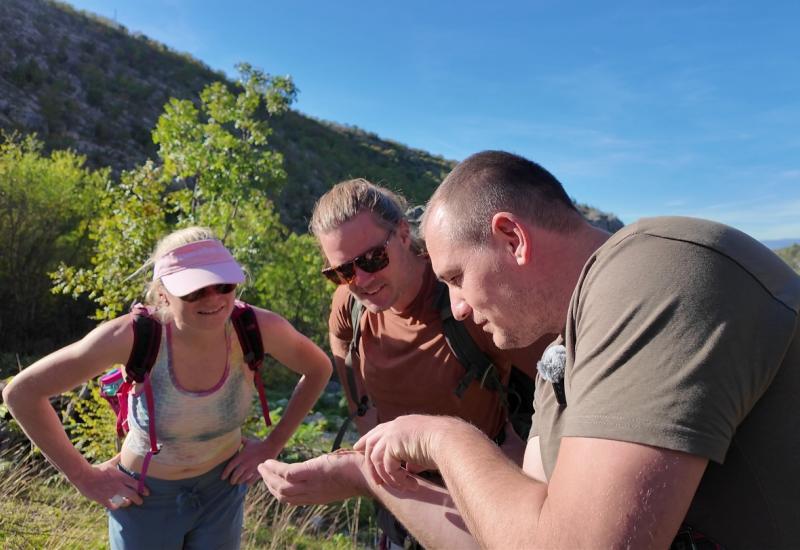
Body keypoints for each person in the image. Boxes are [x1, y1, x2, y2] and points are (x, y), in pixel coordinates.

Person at [261, 152, 800, 549]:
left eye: (456, 277)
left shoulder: (655, 272)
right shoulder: (560, 357)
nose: (461, 307)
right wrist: (367, 475)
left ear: (512, 238)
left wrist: (439, 437)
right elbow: (514, 533)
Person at [3, 226, 332, 549]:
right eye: (194, 291)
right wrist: (82, 476)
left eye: (224, 284)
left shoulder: (255, 328)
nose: (214, 298)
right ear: (163, 293)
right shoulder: (131, 337)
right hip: (145, 497)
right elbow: (22, 393)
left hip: (223, 490)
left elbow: (319, 368)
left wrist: (271, 445)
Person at [306, 179, 550, 546]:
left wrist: (531, 465)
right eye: (342, 271)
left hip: (477, 502)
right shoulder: (350, 304)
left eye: (373, 259)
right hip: (399, 500)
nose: (361, 280)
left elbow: (559, 383)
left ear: (403, 234)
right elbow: (340, 342)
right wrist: (363, 414)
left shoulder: (465, 304)